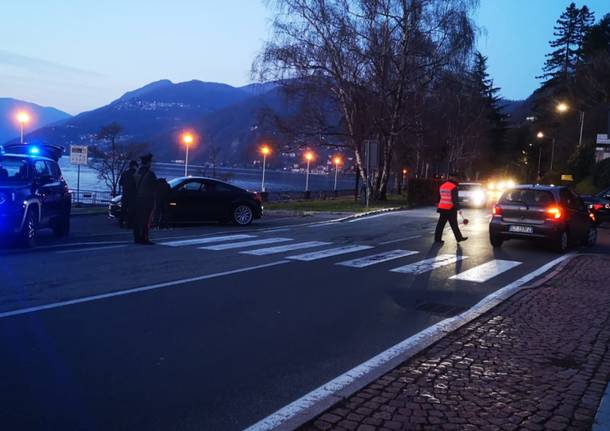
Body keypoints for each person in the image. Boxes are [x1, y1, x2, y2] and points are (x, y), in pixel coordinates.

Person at [434, 173, 468, 244]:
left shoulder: (442, 185)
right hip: (450, 208)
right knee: (454, 224)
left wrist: (437, 203)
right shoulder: (453, 187)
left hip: (442, 208)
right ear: (453, 178)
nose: (457, 179)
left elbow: (438, 196)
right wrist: (458, 209)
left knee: (440, 224)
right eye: (456, 178)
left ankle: (437, 239)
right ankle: (459, 238)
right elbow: (454, 199)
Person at [132, 154, 157, 244]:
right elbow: (155, 186)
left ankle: (137, 237)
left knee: (138, 219)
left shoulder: (136, 173)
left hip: (137, 199)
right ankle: (144, 238)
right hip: (147, 199)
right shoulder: (150, 174)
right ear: (148, 163)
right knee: (146, 219)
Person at [119, 160, 138, 228]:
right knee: (131, 209)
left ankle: (121, 222)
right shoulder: (136, 174)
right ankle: (129, 223)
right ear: (134, 166)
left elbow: (120, 183)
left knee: (123, 209)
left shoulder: (124, 173)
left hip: (125, 194)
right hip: (133, 195)